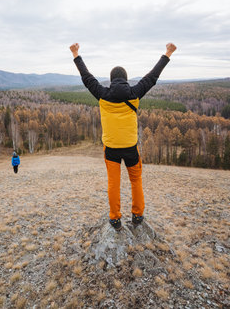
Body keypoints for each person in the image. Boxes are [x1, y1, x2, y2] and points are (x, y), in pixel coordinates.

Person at [70, 42, 177, 231]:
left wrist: (76, 54)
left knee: (113, 182)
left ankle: (115, 219)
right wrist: (167, 53)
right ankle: (137, 215)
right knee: (136, 180)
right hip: (130, 147)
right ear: (126, 79)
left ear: (111, 80)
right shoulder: (135, 93)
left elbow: (87, 78)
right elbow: (153, 76)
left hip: (111, 148)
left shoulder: (102, 94)